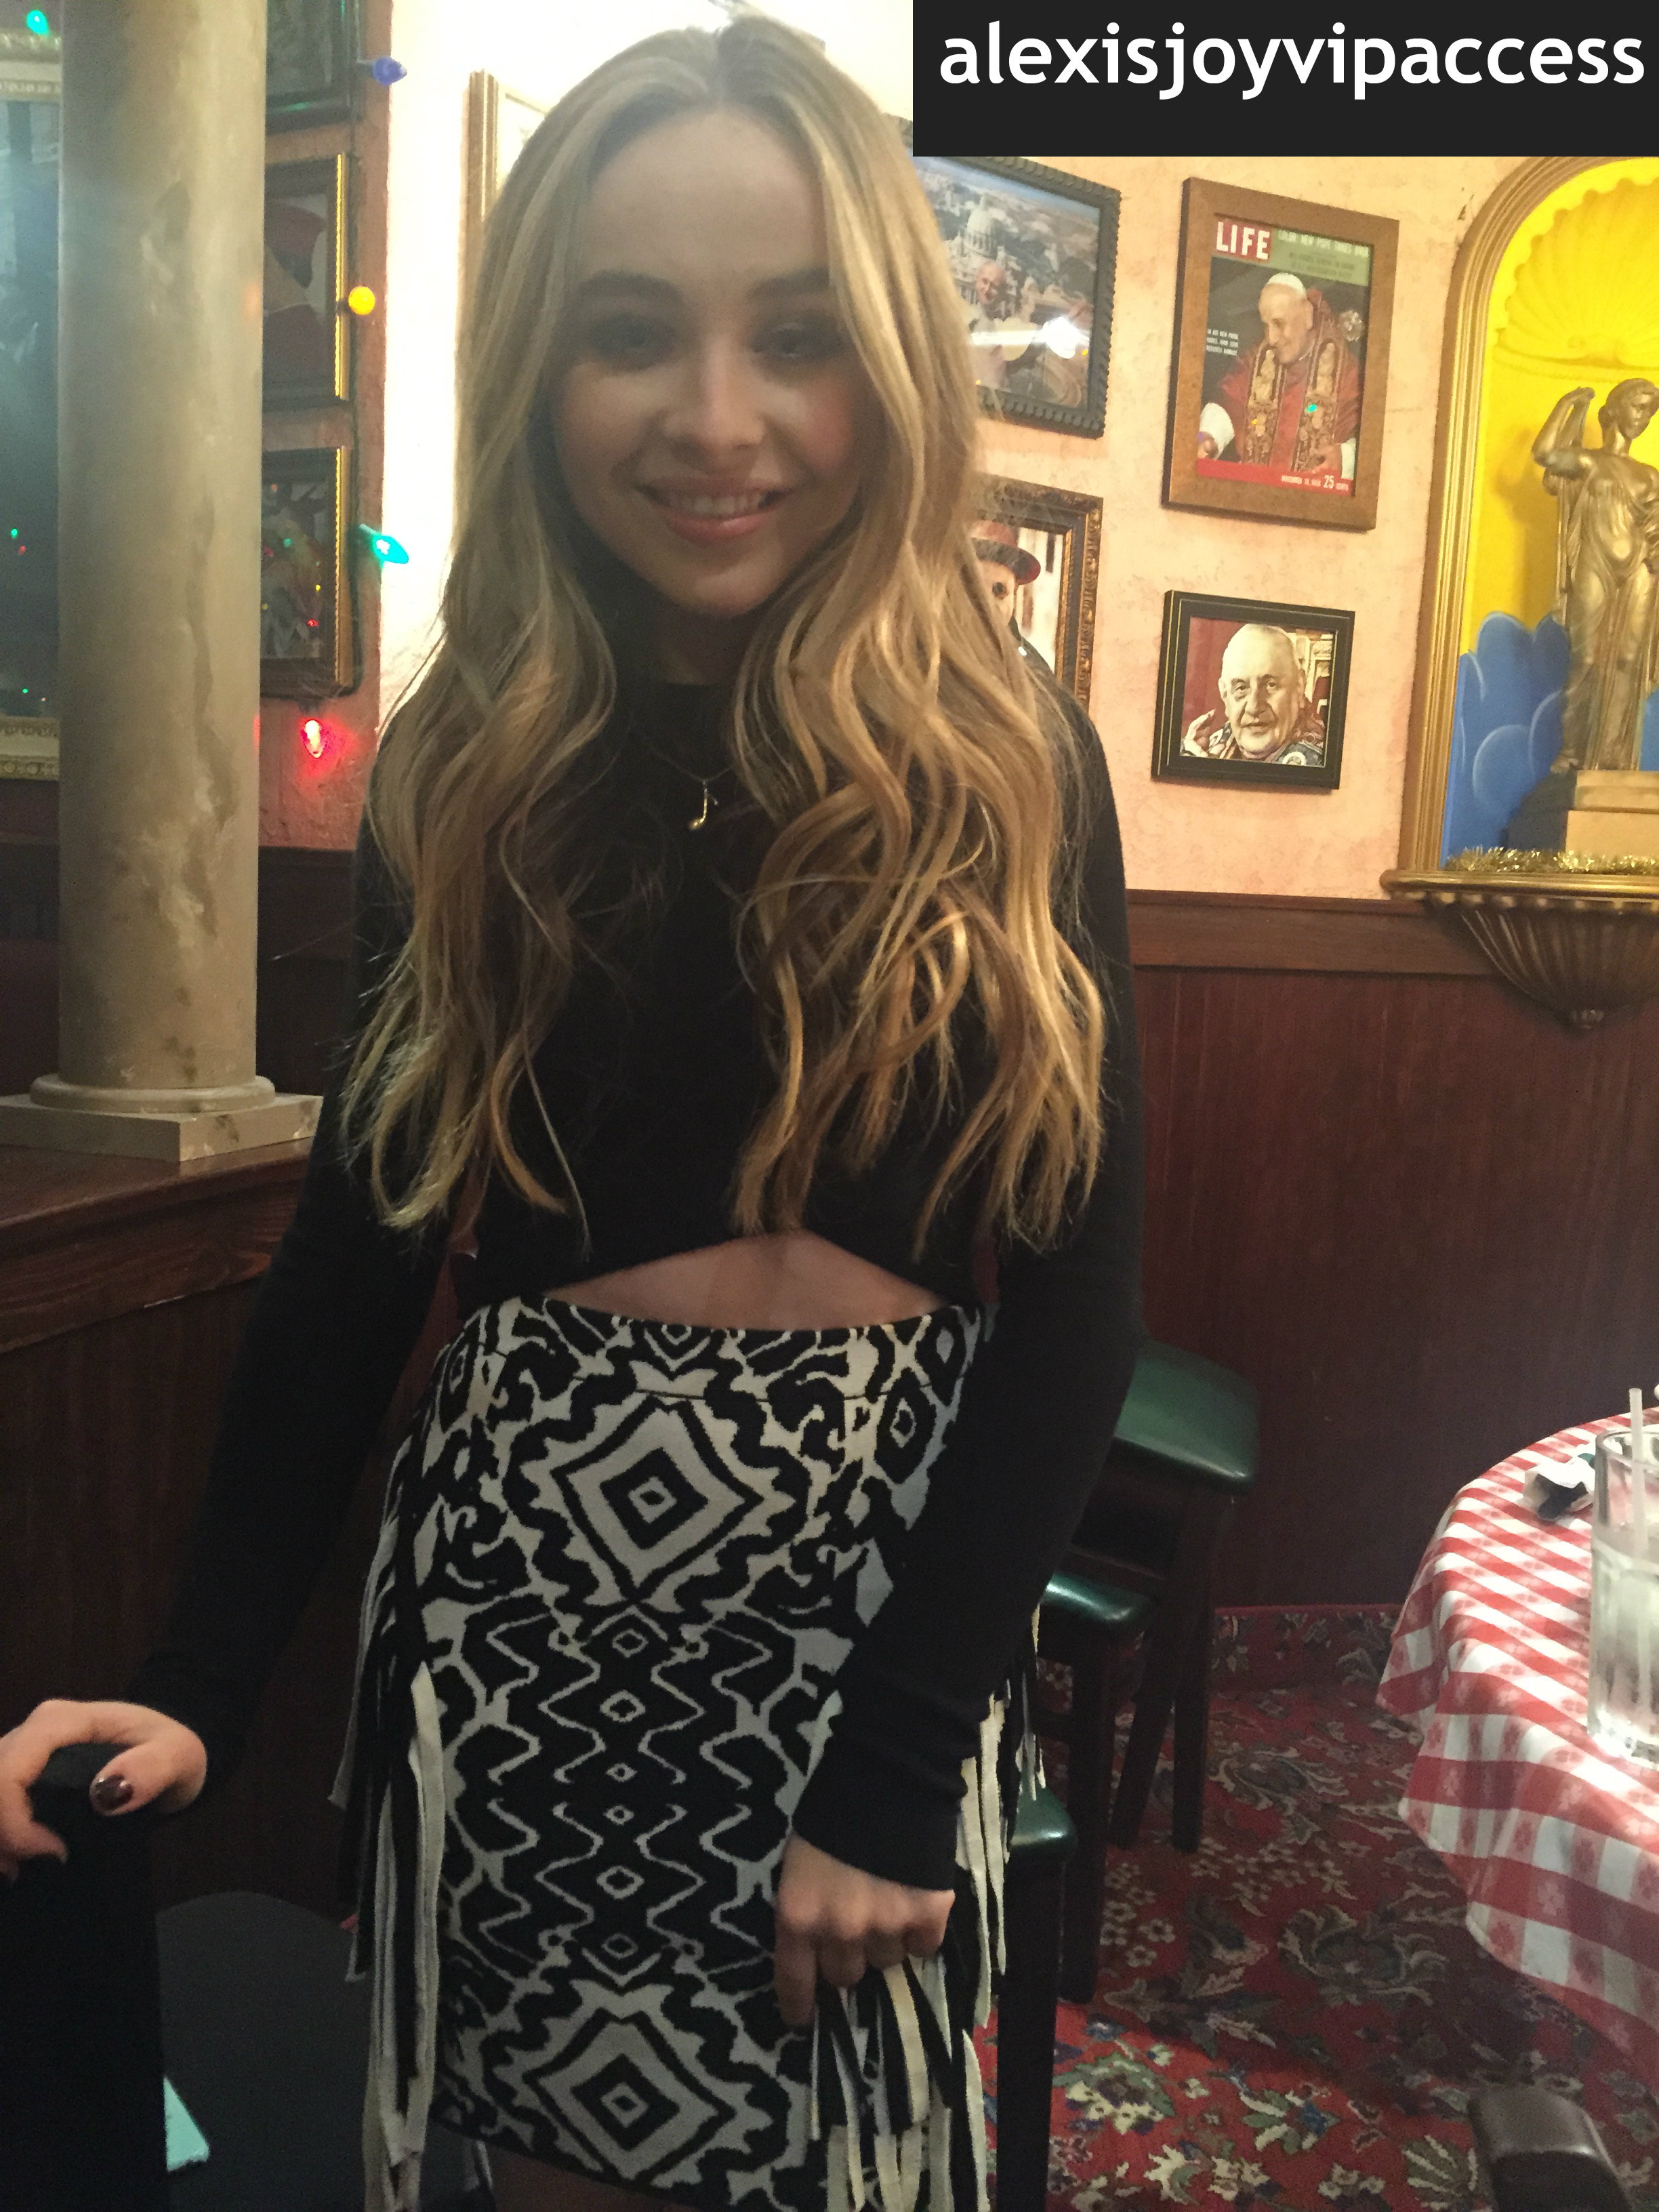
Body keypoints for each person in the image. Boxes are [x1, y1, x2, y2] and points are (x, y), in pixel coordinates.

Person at [0, 23, 1142, 2212]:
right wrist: (196, 1683)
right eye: (631, 334)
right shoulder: (470, 766)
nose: (715, 417)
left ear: (890, 365)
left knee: (858, 2165)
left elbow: (1081, 1297)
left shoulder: (1011, 756)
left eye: (793, 334)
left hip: (879, 1609)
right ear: (541, 371)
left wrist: (899, 1767)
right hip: (532, 1610)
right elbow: (357, 1251)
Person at [1532, 377, 1659, 774]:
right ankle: (1574, 752)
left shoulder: (1651, 475)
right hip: (1595, 564)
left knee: (1628, 660)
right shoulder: (1588, 462)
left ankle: (1615, 757)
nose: (1644, 418)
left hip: (1639, 571)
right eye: (1638, 407)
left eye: (1650, 412)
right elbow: (1545, 453)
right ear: (1615, 409)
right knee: (1586, 657)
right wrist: (1568, 403)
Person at [1197, 271, 1361, 486]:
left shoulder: (1346, 372)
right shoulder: (1257, 358)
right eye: (1266, 326)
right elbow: (1229, 401)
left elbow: (1372, 440)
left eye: (1279, 324)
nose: (1272, 339)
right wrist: (1206, 436)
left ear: (1307, 316)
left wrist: (1345, 458)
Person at [1182, 623, 1326, 766]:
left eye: (1271, 685)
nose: (1254, 707)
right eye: (1241, 688)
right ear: (1225, 695)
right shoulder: (1210, 747)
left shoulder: (1320, 761)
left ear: (1299, 688)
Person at [969, 518, 1052, 673]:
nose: (986, 604)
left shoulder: (1033, 669)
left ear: (1014, 593)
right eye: (972, 589)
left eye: (999, 591)